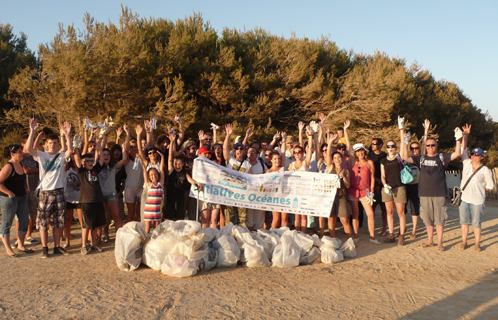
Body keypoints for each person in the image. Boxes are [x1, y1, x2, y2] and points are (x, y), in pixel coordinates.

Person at [401, 118, 462, 251]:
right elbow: (405, 157)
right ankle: (430, 240)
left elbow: (457, 153)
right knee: (428, 219)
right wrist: (405, 143)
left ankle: (439, 242)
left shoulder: (441, 157)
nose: (430, 147)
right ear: (425, 147)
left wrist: (458, 139)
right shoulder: (421, 158)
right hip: (424, 193)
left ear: (436, 146)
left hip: (439, 193)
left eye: (432, 145)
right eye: (428, 145)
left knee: (439, 219)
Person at [26, 119, 73, 258]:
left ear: (58, 144)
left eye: (55, 143)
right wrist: (32, 131)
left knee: (59, 221)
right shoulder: (41, 155)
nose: (53, 145)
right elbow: (28, 149)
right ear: (46, 145)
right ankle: (45, 248)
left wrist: (68, 135)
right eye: (50, 143)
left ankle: (57, 247)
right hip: (45, 192)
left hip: (59, 191)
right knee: (43, 222)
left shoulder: (61, 156)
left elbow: (70, 151)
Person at [344, 120, 380, 244]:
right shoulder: (352, 161)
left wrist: (371, 192)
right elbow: (348, 145)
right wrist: (346, 130)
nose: (360, 153)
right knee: (355, 213)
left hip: (366, 191)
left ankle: (373, 236)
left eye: (362, 150)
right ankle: (356, 235)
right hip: (353, 190)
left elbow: (372, 178)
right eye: (358, 151)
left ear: (365, 151)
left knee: (370, 213)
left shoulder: (369, 162)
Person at [459, 124, 494, 251]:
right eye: (473, 154)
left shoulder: (485, 170)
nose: (474, 156)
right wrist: (466, 136)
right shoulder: (466, 163)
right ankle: (464, 242)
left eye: (477, 155)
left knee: (476, 223)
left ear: (482, 157)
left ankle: (477, 244)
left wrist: (481, 191)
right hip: (464, 198)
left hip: (477, 200)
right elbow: (463, 149)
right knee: (464, 222)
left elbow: (490, 185)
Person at [0, 144, 35, 257]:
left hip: (21, 197)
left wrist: (25, 188)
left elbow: (20, 179)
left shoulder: (20, 164)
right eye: (19, 151)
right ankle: (8, 248)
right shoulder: (8, 166)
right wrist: (9, 192)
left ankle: (21, 245)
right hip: (9, 199)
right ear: (12, 154)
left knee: (24, 221)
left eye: (21, 151)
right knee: (7, 222)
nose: (22, 153)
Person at [74, 143, 107, 254]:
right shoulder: (82, 171)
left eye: (91, 160)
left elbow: (102, 159)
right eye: (87, 161)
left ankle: (94, 245)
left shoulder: (95, 170)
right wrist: (76, 147)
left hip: (97, 200)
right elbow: (77, 159)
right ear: (83, 163)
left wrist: (98, 147)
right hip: (86, 201)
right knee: (86, 225)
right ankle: (84, 245)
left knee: (95, 225)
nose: (90, 162)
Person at [319, 136, 353, 239]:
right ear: (332, 160)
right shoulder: (330, 168)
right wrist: (329, 143)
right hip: (330, 197)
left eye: (339, 157)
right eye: (335, 158)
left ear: (342, 159)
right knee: (331, 219)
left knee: (345, 220)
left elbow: (348, 185)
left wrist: (344, 178)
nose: (337, 159)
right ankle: (333, 240)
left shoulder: (346, 171)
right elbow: (328, 154)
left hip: (341, 196)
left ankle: (349, 240)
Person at [165, 132, 202, 221]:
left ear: (183, 164)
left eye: (179, 164)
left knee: (180, 218)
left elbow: (191, 180)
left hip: (181, 198)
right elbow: (170, 157)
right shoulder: (171, 171)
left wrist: (197, 184)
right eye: (176, 164)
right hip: (171, 198)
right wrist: (172, 142)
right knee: (171, 219)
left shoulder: (185, 173)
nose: (177, 166)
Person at [223, 124, 252, 225]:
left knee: (242, 222)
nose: (239, 150)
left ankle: (241, 239)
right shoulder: (230, 160)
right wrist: (228, 135)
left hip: (242, 197)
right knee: (229, 222)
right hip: (230, 195)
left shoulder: (248, 165)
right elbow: (225, 149)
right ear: (234, 151)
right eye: (237, 149)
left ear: (244, 150)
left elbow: (251, 181)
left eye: (241, 149)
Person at [380, 140, 407, 245]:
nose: (390, 148)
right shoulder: (383, 161)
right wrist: (384, 184)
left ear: (395, 147)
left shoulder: (399, 158)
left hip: (399, 187)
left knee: (401, 212)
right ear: (386, 148)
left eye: (393, 146)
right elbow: (382, 175)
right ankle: (391, 233)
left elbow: (403, 147)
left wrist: (401, 130)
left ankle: (401, 235)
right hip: (387, 188)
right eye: (388, 146)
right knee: (389, 212)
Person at [288, 125, 313, 233]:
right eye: (295, 152)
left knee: (304, 216)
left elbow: (310, 148)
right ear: (293, 154)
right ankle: (298, 234)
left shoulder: (305, 162)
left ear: (302, 153)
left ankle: (303, 234)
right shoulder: (291, 165)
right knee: (296, 216)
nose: (297, 154)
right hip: (295, 192)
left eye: (299, 152)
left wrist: (310, 135)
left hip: (305, 192)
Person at [266, 132, 288, 228]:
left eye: (279, 159)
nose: (277, 161)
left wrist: (283, 140)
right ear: (271, 160)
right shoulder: (268, 171)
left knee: (284, 218)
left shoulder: (282, 167)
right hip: (274, 197)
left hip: (285, 195)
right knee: (276, 219)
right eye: (275, 159)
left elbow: (283, 152)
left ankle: (284, 235)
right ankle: (273, 235)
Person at [141, 148, 166, 233]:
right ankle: (144, 244)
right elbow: (144, 171)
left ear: (158, 175)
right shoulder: (148, 185)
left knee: (156, 231)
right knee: (147, 230)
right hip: (148, 211)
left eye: (155, 174)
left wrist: (162, 157)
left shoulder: (160, 184)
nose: (154, 176)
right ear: (149, 177)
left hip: (157, 211)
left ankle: (154, 245)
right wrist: (141, 160)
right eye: (151, 175)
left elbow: (162, 170)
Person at [123, 124, 144, 222]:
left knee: (140, 212)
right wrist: (128, 133)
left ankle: (140, 233)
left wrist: (139, 135)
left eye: (135, 146)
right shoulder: (127, 160)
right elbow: (126, 148)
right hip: (129, 188)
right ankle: (128, 232)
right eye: (131, 147)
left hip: (140, 188)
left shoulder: (141, 158)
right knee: (131, 213)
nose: (133, 149)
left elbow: (140, 149)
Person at [196, 146, 221, 228]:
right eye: (205, 154)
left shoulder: (213, 163)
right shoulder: (196, 164)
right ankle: (205, 238)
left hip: (215, 194)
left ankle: (213, 238)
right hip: (204, 195)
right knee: (205, 219)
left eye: (208, 154)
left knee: (214, 220)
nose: (207, 155)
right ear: (200, 154)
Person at [368, 137, 388, 236]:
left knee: (384, 209)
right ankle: (372, 228)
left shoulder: (385, 155)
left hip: (384, 185)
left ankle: (384, 228)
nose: (373, 145)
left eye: (375, 144)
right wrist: (376, 180)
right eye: (372, 144)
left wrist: (382, 181)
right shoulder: (369, 156)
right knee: (371, 208)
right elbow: (368, 171)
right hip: (373, 184)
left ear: (380, 145)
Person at [246, 146, 266, 231]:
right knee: (249, 217)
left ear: (257, 155)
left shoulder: (262, 165)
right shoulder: (244, 164)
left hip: (259, 195)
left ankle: (259, 236)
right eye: (249, 152)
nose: (251, 153)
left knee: (259, 218)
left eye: (253, 152)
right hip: (248, 195)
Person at [405, 140, 421, 239]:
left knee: (414, 208)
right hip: (405, 185)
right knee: (403, 209)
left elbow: (424, 145)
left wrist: (426, 131)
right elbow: (403, 151)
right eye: (412, 148)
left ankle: (414, 230)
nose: (414, 150)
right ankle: (403, 228)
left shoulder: (421, 159)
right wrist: (405, 141)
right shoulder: (406, 159)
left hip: (416, 186)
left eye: (416, 148)